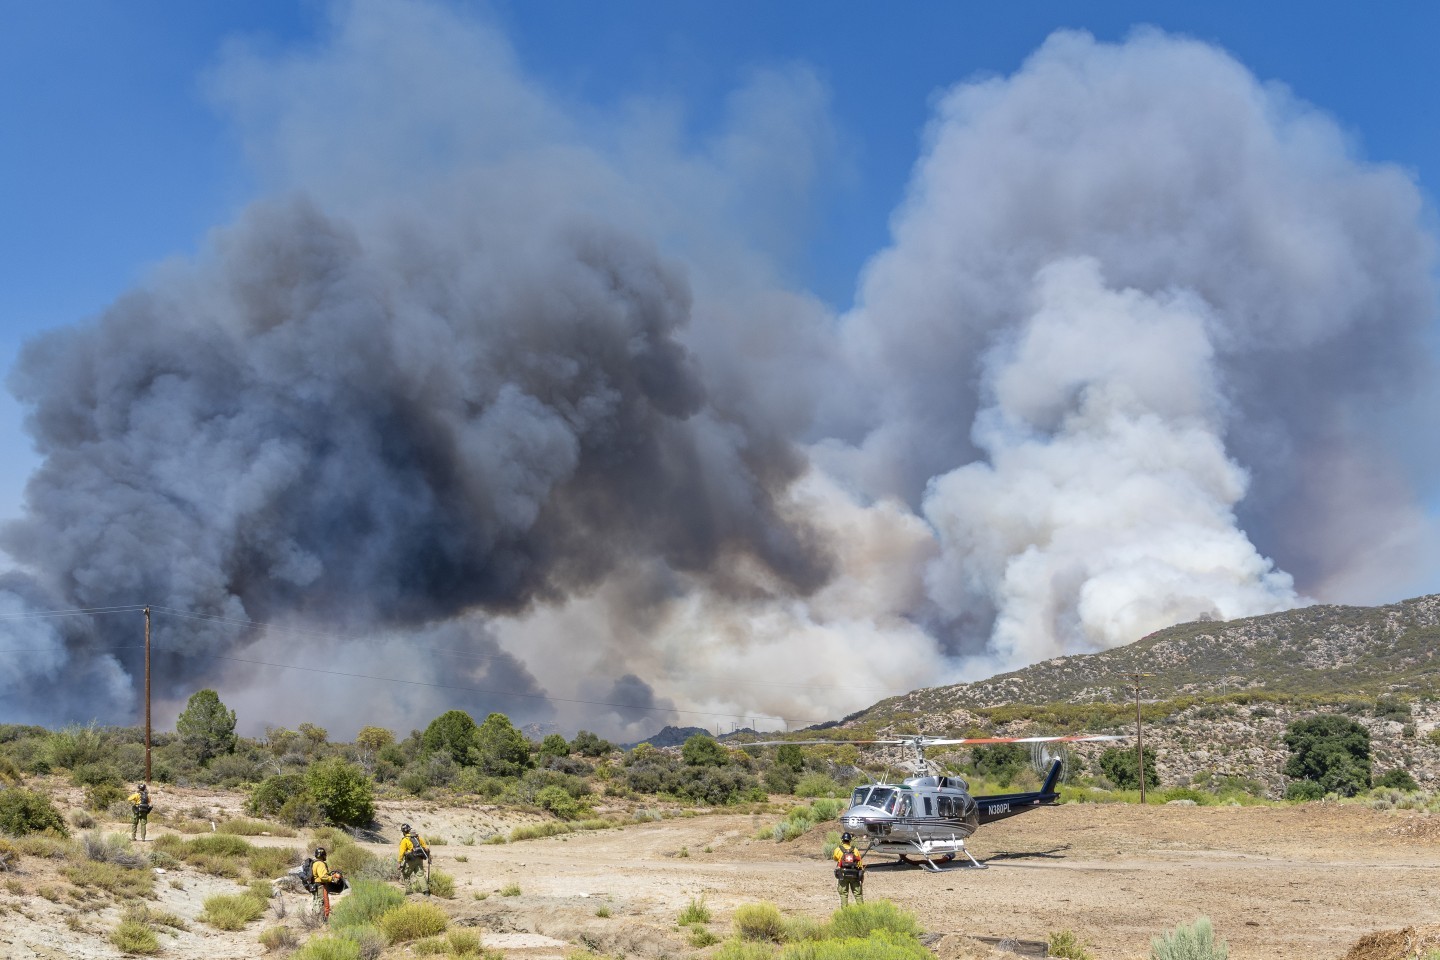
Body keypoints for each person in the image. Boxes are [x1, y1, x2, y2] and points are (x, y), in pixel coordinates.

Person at [397, 823, 432, 894]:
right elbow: (426, 848)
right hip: (419, 859)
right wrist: (429, 857)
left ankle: (409, 892)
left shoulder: (405, 840)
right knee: (420, 875)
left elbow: (401, 852)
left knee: (405, 874)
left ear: (403, 832)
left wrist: (399, 862)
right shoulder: (418, 837)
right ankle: (426, 891)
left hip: (411, 860)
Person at [832, 832, 864, 906]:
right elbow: (860, 864)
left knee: (844, 894)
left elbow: (835, 858)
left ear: (842, 840)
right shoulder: (855, 850)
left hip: (843, 874)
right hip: (854, 874)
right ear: (850, 840)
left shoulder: (838, 849)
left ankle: (845, 911)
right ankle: (862, 910)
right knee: (858, 894)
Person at [310, 846, 337, 921]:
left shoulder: (315, 863)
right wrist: (332, 878)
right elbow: (323, 876)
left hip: (315, 886)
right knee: (323, 903)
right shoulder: (320, 864)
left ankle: (315, 919)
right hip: (320, 886)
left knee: (316, 902)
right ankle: (322, 921)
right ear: (323, 855)